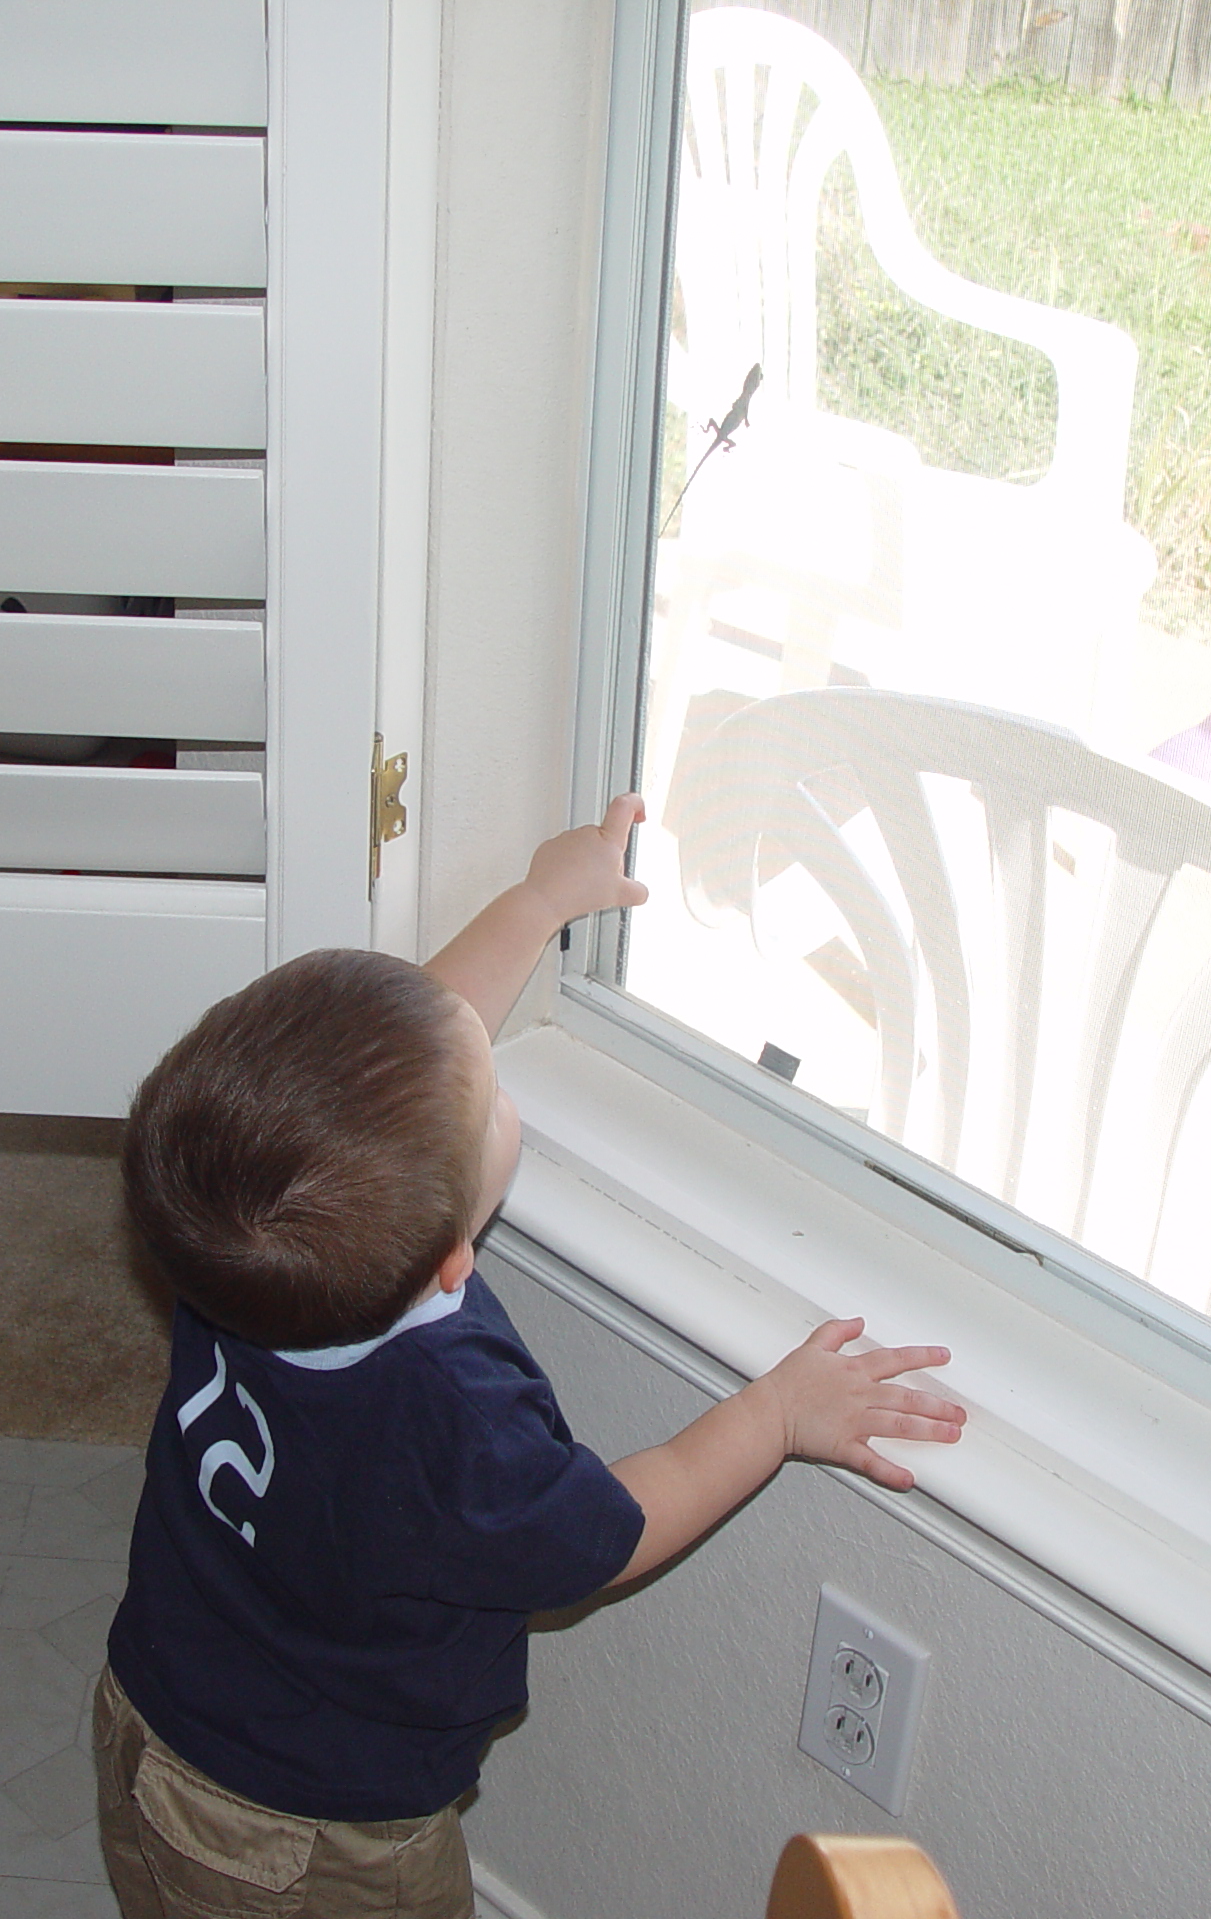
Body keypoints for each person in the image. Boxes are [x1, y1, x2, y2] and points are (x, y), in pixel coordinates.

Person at [96, 794, 965, 1918]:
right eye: (496, 1096)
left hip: (147, 1715)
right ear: (455, 1259)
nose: (498, 1084)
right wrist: (780, 1415)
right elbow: (607, 1534)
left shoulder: (228, 1234)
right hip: (317, 1841)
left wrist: (540, 901)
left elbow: (413, 1046)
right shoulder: (444, 1421)